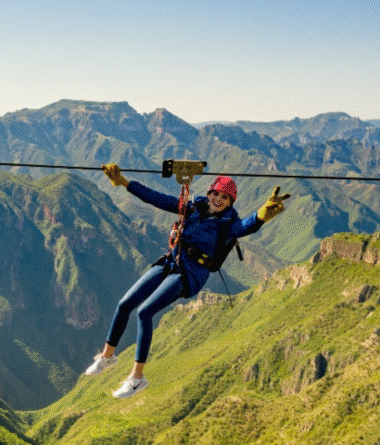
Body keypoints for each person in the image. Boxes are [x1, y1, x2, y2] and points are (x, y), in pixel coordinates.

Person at [84, 164, 290, 398]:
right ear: (210, 193)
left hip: (191, 273)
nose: (219, 199)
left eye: (225, 197)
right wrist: (123, 182)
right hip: (172, 260)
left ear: (231, 203)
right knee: (125, 304)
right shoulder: (192, 208)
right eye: (216, 194)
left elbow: (245, 226)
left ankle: (137, 378)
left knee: (144, 312)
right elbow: (157, 198)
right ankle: (107, 357)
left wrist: (262, 215)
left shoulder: (228, 225)